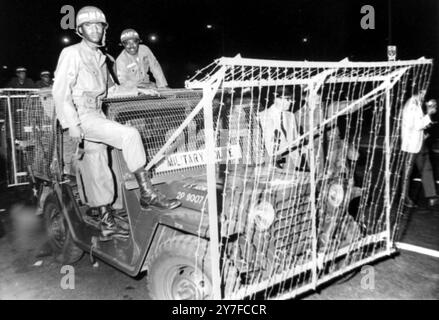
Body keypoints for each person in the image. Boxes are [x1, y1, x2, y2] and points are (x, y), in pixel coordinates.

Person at [52, 6, 180, 240]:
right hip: (83, 114)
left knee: (97, 162)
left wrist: (140, 90)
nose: (95, 29)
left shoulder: (101, 57)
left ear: (104, 29)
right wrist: (71, 123)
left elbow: (112, 90)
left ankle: (106, 221)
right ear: (80, 30)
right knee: (130, 135)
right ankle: (147, 192)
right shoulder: (72, 53)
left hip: (97, 113)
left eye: (99, 25)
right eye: (89, 25)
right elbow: (60, 91)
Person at [401, 90, 438, 208]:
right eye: (423, 93)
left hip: (419, 142)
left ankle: (432, 196)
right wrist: (429, 113)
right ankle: (404, 197)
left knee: (426, 168)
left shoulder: (417, 103)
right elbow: (417, 125)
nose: (425, 96)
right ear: (419, 91)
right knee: (407, 173)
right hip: (410, 146)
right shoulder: (411, 105)